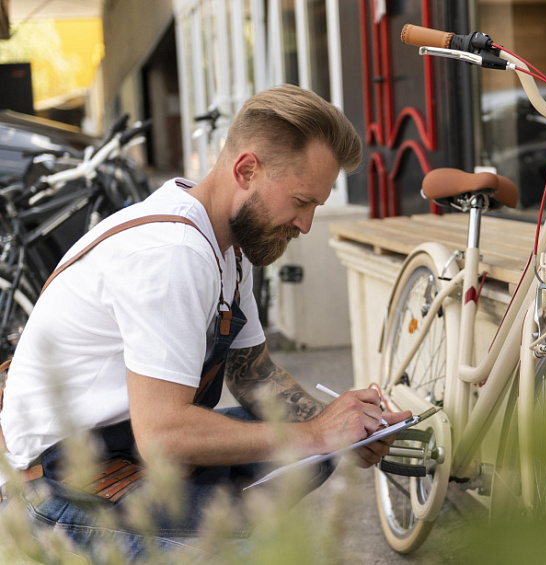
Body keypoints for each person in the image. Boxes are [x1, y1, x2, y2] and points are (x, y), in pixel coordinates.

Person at [0, 84, 410, 561]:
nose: (306, 224)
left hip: (122, 452)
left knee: (311, 456)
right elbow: (164, 436)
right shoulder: (174, 254)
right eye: (301, 201)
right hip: (55, 491)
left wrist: (342, 425)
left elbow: (253, 375)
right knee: (259, 540)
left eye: (315, 205)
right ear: (246, 170)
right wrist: (316, 433)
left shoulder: (229, 244)